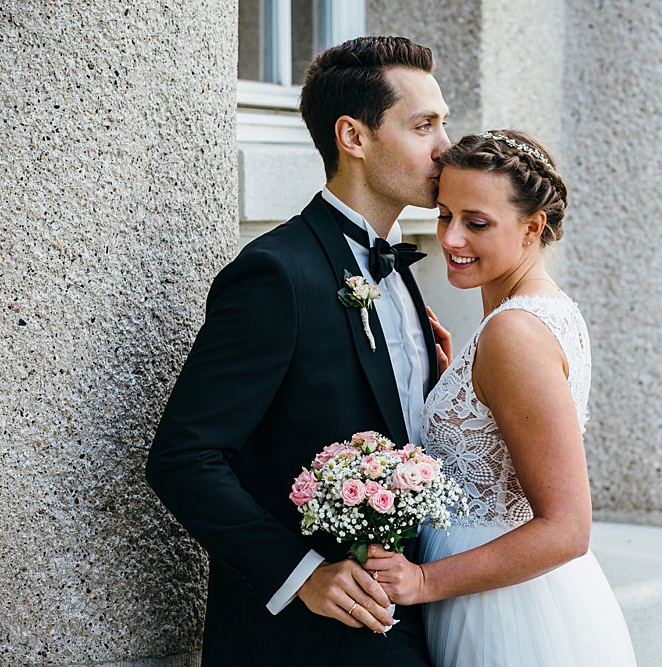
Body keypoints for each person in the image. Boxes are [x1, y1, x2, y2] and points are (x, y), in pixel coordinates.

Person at [145, 36, 452, 665]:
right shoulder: (274, 274)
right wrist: (302, 573)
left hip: (413, 611)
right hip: (305, 640)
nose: (445, 147)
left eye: (443, 123)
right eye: (424, 126)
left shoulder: (401, 269)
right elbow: (184, 457)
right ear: (353, 136)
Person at [362, 130, 638, 666]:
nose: (451, 239)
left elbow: (567, 529)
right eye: (445, 215)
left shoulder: (514, 333)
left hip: (502, 612)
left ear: (533, 228)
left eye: (477, 223)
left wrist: (422, 581)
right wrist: (453, 386)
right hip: (498, 589)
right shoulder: (543, 309)